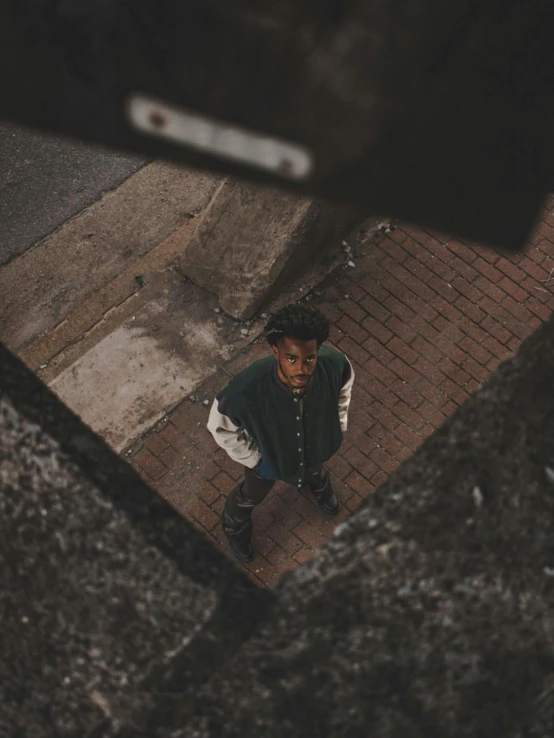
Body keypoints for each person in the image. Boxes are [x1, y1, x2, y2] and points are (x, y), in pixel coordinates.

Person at [207, 304, 355, 562]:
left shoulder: (335, 365)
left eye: (309, 359)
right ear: (276, 351)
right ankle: (234, 526)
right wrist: (255, 460)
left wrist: (337, 423)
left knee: (315, 468)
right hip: (269, 460)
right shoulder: (244, 391)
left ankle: (318, 486)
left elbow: (343, 392)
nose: (302, 369)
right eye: (292, 359)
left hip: (317, 445)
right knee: (250, 495)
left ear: (317, 351)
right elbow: (221, 428)